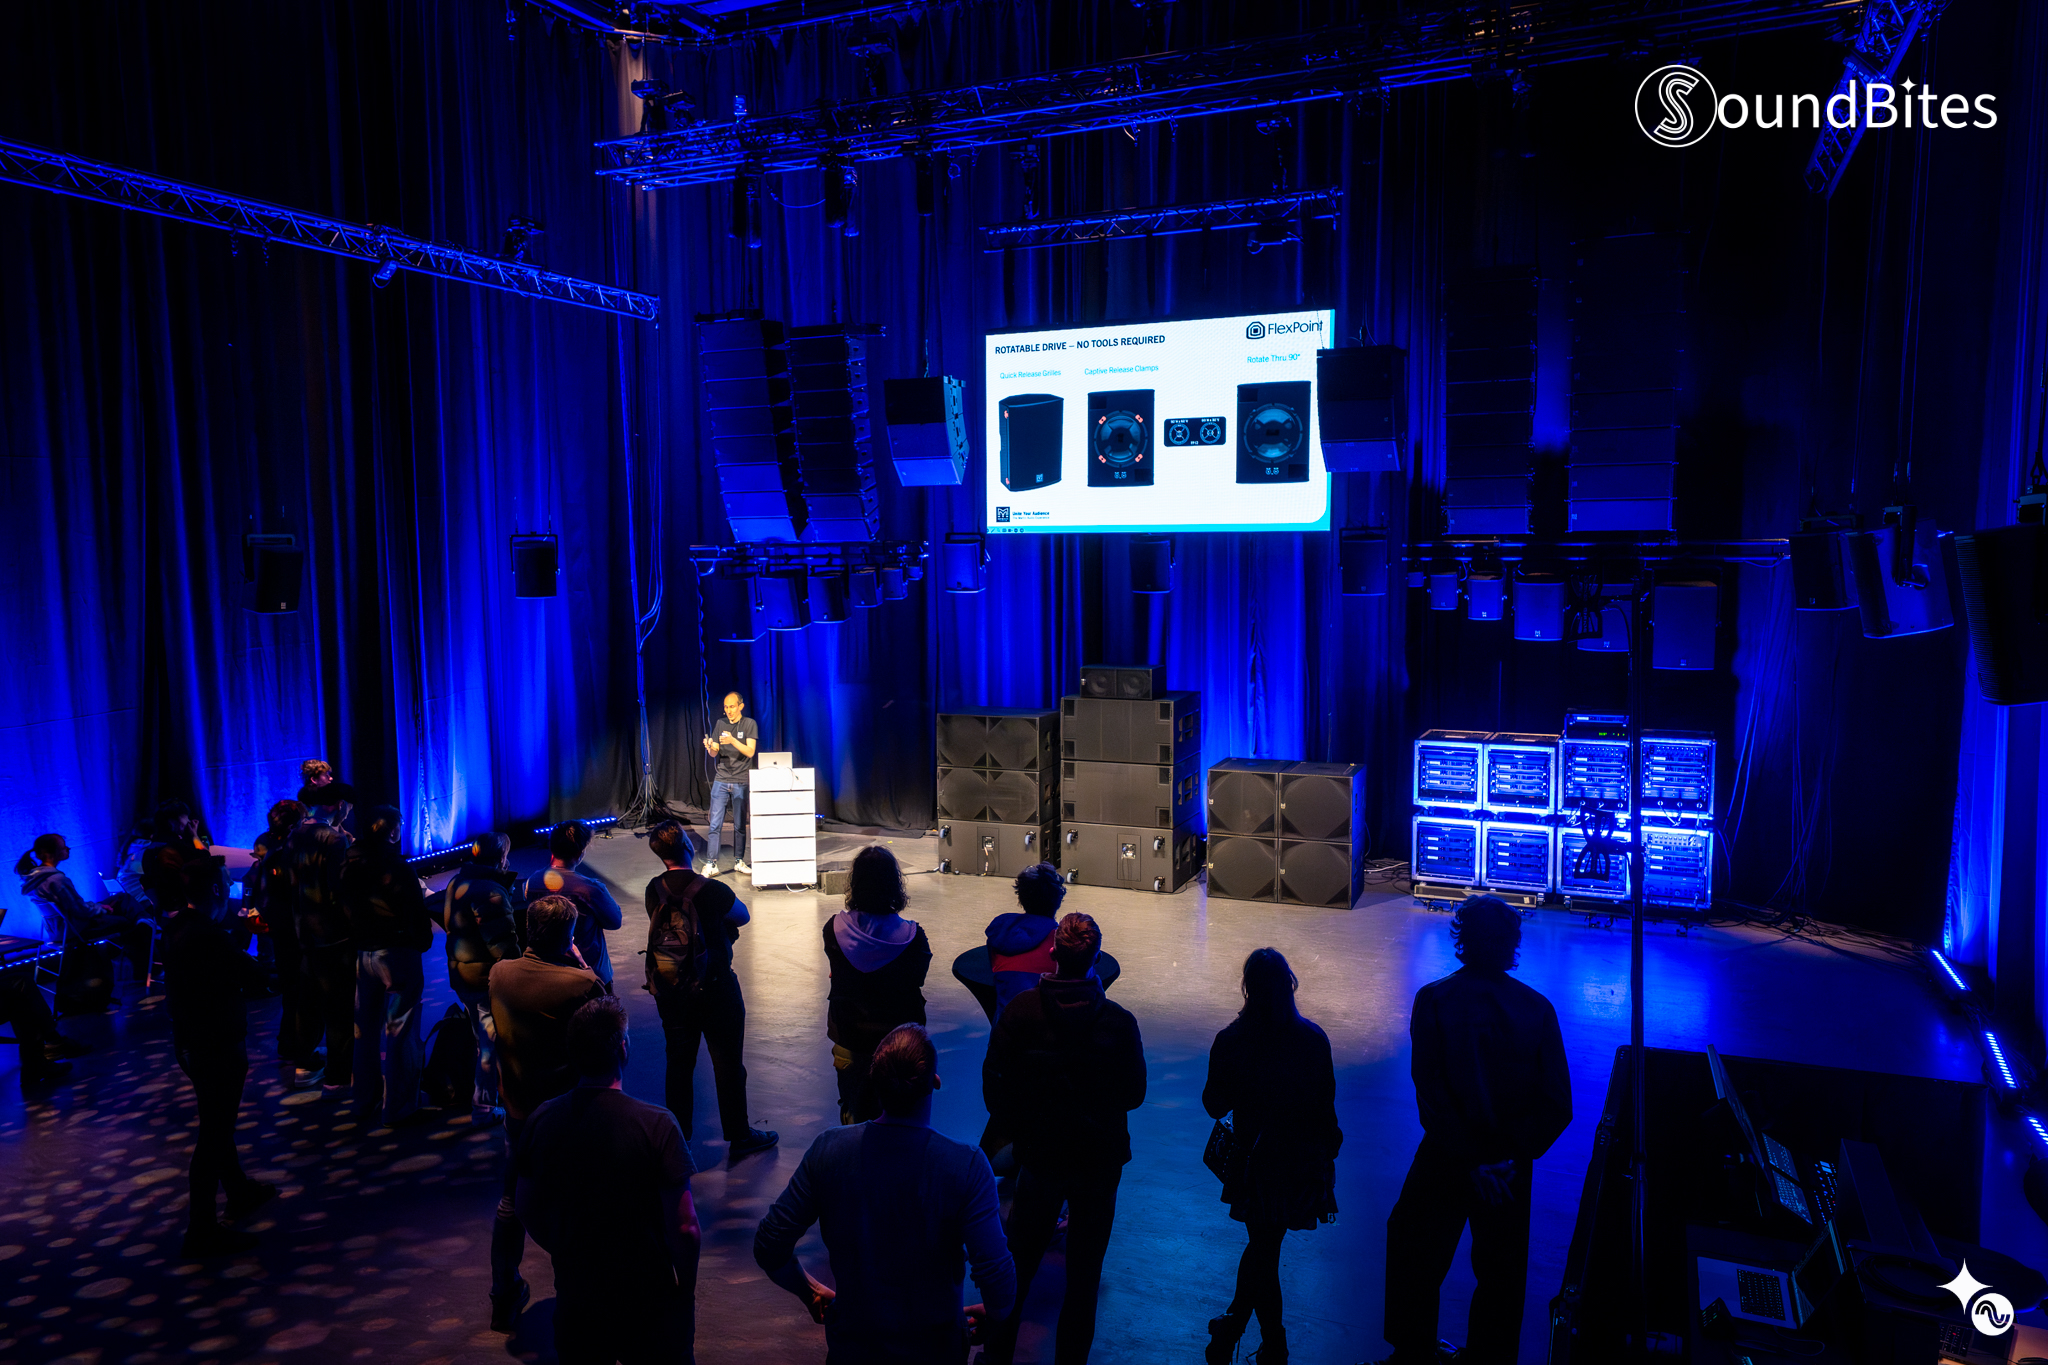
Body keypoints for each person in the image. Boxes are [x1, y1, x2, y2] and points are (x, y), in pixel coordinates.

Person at [1379, 896, 1570, 1365]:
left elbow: (1430, 1091)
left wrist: (1470, 1161)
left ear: (1462, 939)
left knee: (1412, 1248)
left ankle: (1412, 1354)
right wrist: (1506, 1159)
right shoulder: (1537, 1009)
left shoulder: (1434, 999)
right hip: (1508, 1168)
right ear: (1511, 944)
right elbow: (1556, 1105)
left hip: (1447, 1156)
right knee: (1502, 1273)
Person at [755, 1023, 1016, 1365]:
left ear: (876, 1083)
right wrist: (995, 1315)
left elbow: (770, 1244)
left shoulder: (828, 1150)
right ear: (934, 1082)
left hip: (852, 1351)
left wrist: (810, 1292)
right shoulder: (964, 1166)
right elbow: (998, 1281)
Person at [983, 912, 1145, 1365]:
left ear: (1053, 952)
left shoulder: (1021, 1013)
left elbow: (995, 1089)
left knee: (1018, 1269)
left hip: (1040, 1159)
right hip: (1098, 1163)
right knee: (1084, 1280)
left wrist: (1026, 1126)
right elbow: (1134, 1094)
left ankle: (997, 1358)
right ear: (1098, 958)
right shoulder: (1119, 1022)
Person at [516, 997, 701, 1365]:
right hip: (649, 1300)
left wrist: (566, 1248)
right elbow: (685, 1227)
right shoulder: (657, 1125)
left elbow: (525, 1206)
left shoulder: (543, 1119)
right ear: (623, 1049)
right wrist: (685, 1291)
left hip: (578, 1298)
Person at [1201, 948, 1342, 1365]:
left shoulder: (1231, 1041)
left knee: (1263, 1247)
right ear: (1290, 986)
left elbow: (1213, 1104)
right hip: (1298, 1162)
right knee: (1266, 1248)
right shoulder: (1312, 1040)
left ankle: (1244, 1332)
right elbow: (1326, 1111)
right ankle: (1262, 1340)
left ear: (1247, 989)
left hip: (1255, 1165)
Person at [141, 839, 274, 1257]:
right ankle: (201, 1229)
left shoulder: (178, 926)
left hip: (193, 1043)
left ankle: (237, 1190)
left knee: (218, 1125)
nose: (231, 890)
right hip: (216, 1044)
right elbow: (255, 979)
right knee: (214, 1134)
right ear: (216, 889)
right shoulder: (207, 935)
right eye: (227, 884)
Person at [486, 894, 610, 1332]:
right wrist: (584, 967)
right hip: (567, 1117)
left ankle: (503, 1294)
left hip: (519, 1111)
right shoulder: (580, 984)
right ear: (569, 936)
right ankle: (577, 1297)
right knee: (576, 1206)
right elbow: (610, 1029)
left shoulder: (500, 974)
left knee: (510, 1202)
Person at [642, 820, 777, 1162]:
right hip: (715, 987)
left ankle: (678, 1141)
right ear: (688, 847)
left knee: (678, 1065)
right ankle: (739, 1135)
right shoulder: (711, 889)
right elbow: (742, 916)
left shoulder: (653, 890)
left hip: (672, 991)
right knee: (728, 1064)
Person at [823, 845, 932, 1125]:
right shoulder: (914, 938)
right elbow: (917, 981)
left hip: (849, 1037)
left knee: (853, 1113)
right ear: (894, 885)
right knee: (902, 1118)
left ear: (855, 884)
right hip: (900, 1046)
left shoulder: (833, 930)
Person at [343, 804, 434, 1125]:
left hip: (363, 955)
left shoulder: (348, 864)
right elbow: (416, 914)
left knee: (363, 1032)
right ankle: (398, 1107)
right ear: (393, 831)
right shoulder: (398, 867)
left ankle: (362, 1101)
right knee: (400, 1030)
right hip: (397, 954)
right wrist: (421, 941)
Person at [440, 832, 526, 1124]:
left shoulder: (457, 881)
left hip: (462, 975)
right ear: (501, 857)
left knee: (483, 1039)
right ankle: (484, 1108)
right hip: (484, 980)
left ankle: (488, 1099)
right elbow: (503, 944)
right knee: (490, 1044)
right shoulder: (489, 892)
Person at [15, 833, 157, 1004]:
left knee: (122, 898)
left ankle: (143, 922)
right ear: (49, 853)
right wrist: (100, 909)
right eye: (63, 847)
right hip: (75, 928)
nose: (67, 849)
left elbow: (74, 906)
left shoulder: (33, 878)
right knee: (126, 920)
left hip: (59, 928)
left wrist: (99, 907)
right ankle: (146, 937)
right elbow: (80, 911)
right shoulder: (56, 879)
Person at [286, 817, 353, 1092]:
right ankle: (337, 1078)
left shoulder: (295, 834)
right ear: (339, 804)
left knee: (308, 1004)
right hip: (333, 937)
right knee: (339, 1010)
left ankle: (305, 1065)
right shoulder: (334, 840)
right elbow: (340, 890)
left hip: (305, 934)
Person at [248, 801, 313, 1074]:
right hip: (296, 929)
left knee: (291, 990)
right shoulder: (292, 852)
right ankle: (301, 1051)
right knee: (302, 991)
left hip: (280, 928)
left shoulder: (271, 851)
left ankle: (288, 1043)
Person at [524, 820, 623, 985]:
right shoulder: (590, 889)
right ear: (579, 853)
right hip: (588, 973)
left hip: (548, 971)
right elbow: (614, 921)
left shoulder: (531, 882)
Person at [984, 863, 1064, 1018]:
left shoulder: (1001, 932)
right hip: (1049, 1027)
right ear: (1058, 900)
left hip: (1004, 1026)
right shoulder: (1062, 942)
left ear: (1021, 898)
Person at [699, 691, 757, 876]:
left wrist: (732, 740)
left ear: (741, 706)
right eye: (726, 707)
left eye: (732, 706)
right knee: (715, 824)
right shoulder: (720, 723)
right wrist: (710, 746)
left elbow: (750, 751)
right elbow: (714, 752)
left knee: (739, 824)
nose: (729, 711)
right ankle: (711, 864)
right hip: (722, 779)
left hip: (741, 780)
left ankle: (739, 861)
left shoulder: (749, 724)